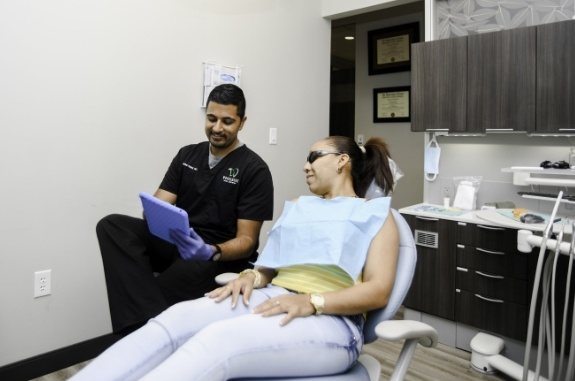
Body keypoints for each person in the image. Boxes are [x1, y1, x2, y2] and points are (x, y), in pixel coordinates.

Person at [71, 136, 399, 381]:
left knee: (217, 340)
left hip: (334, 321)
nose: (305, 165)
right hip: (273, 296)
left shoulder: (375, 214)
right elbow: (269, 267)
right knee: (172, 320)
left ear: (342, 161)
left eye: (314, 157)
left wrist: (313, 302)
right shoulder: (300, 207)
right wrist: (250, 277)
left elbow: (379, 290)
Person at [96, 84, 274, 335]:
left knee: (156, 292)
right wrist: (154, 213)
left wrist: (211, 251)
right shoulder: (187, 155)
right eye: (211, 119)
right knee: (111, 225)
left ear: (242, 123)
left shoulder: (254, 169)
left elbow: (247, 240)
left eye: (227, 121)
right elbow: (161, 201)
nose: (217, 128)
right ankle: (148, 328)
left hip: (215, 253)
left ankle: (140, 336)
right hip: (179, 239)